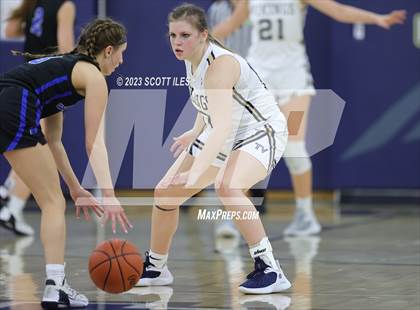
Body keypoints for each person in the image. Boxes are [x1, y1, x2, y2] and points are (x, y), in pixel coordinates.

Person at [211, 0, 406, 236]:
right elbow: (231, 24)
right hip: (259, 77)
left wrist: (376, 18)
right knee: (242, 146)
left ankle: (305, 215)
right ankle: (235, 217)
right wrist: (199, 40)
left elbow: (338, 11)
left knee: (294, 149)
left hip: (293, 77)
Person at [137, 3, 291, 294]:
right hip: (224, 131)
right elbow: (207, 107)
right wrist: (193, 132)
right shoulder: (190, 60)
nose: (177, 42)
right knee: (165, 192)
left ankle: (270, 268)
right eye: (172, 36)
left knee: (227, 186)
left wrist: (195, 173)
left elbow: (220, 127)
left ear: (203, 35)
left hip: (260, 131)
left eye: (184, 35)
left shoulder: (220, 65)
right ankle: (157, 267)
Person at [0, 18, 131, 308]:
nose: (122, 61)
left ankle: (55, 284)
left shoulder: (62, 69)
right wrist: (109, 195)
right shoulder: (94, 78)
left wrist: (75, 187)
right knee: (51, 203)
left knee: (55, 200)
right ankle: (54, 285)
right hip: (13, 104)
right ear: (108, 50)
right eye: (122, 53)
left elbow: (54, 141)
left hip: (8, 101)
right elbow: (94, 143)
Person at [0, 0, 76, 236]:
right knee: (40, 147)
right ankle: (11, 204)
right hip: (47, 82)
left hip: (25, 78)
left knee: (32, 145)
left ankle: (9, 197)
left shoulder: (33, 3)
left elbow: (10, 30)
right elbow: (65, 49)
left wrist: (35, 27)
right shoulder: (65, 6)